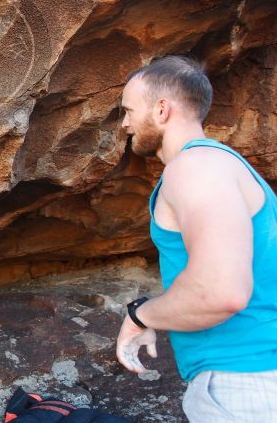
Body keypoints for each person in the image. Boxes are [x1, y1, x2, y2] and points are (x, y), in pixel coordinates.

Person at [115, 55, 277, 421]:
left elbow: (221, 292)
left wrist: (141, 315)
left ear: (161, 110)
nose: (124, 123)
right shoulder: (223, 164)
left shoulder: (195, 167)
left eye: (128, 110)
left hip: (245, 384)